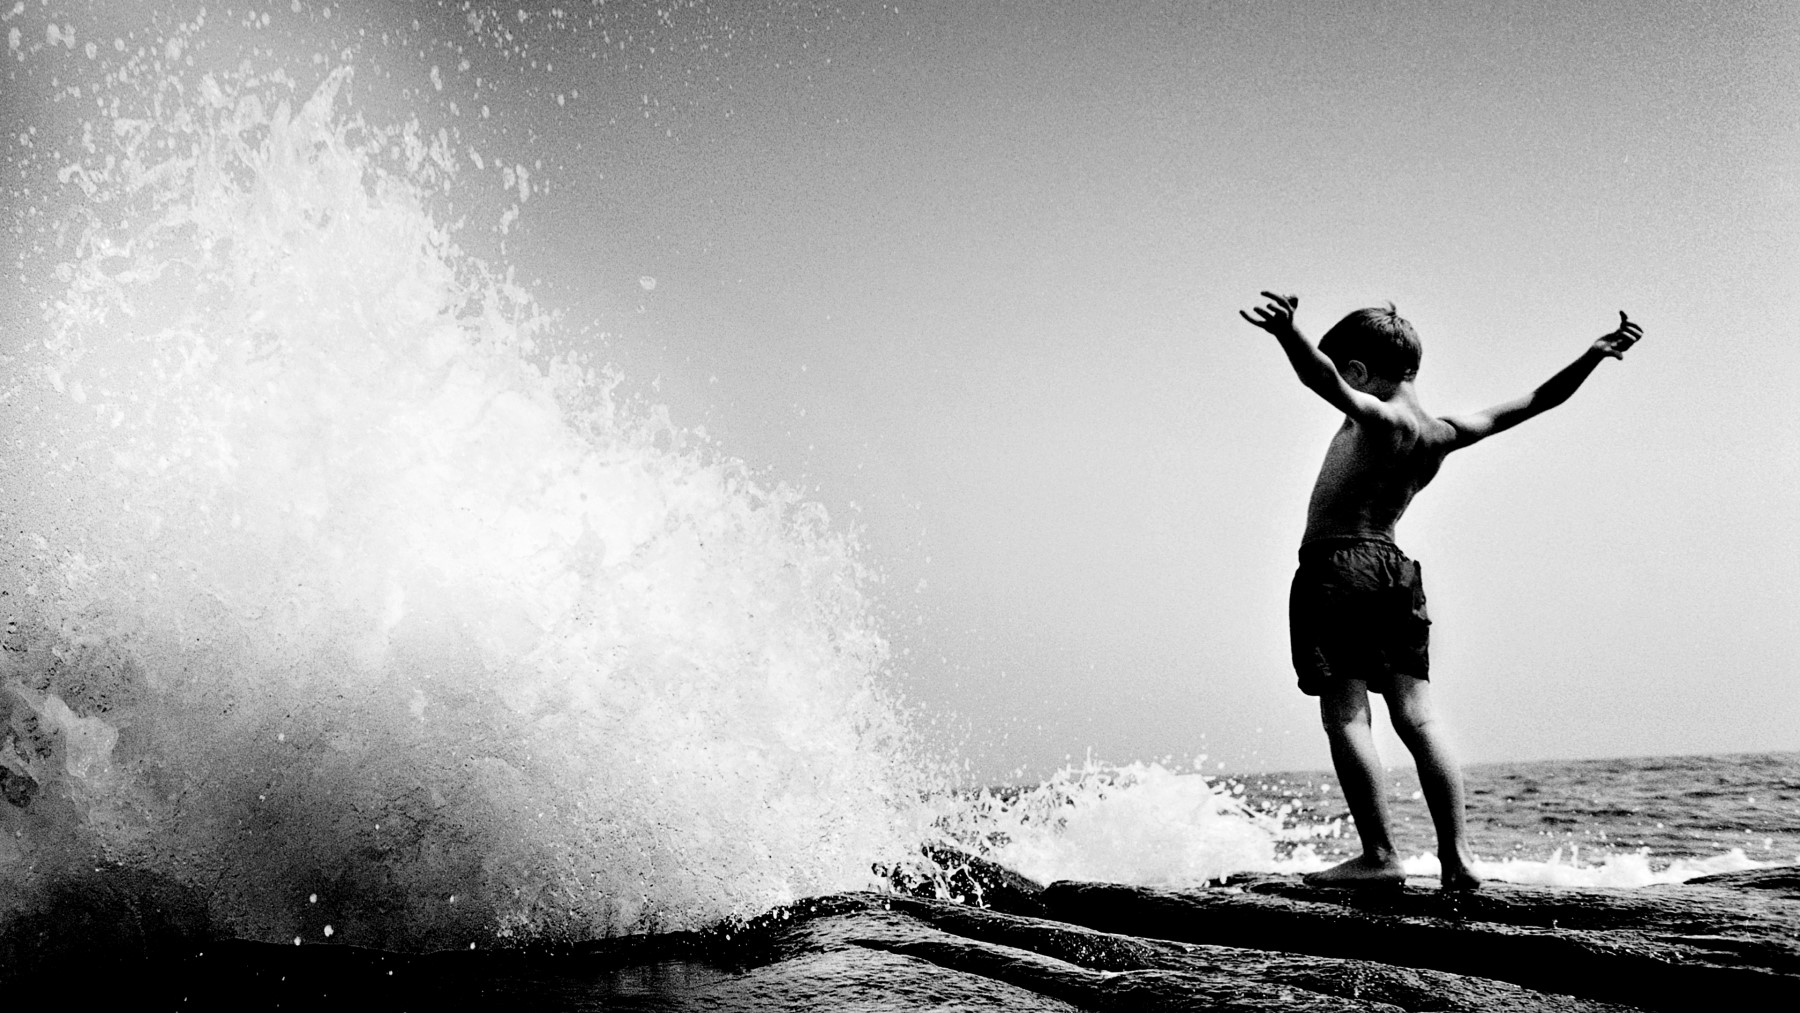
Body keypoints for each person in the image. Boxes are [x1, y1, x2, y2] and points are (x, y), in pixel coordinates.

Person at [1239, 292, 1643, 891]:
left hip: (1338, 567)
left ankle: (1378, 856)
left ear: (1357, 372)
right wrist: (1593, 355)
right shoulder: (1441, 433)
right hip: (1397, 572)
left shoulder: (1377, 419)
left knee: (1347, 716)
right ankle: (1458, 859)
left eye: (1345, 377)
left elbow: (1315, 376)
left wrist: (1287, 333)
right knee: (1419, 719)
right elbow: (1537, 400)